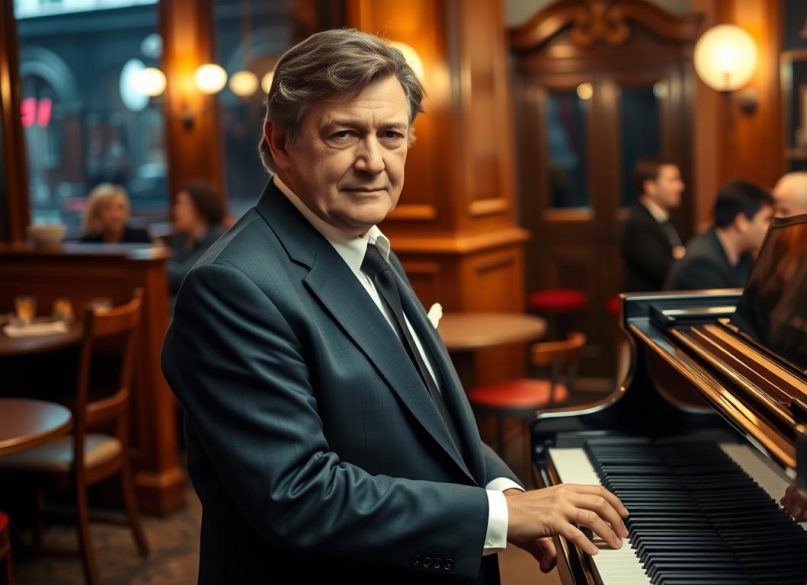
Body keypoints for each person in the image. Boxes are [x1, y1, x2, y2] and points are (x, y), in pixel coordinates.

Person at [161, 29, 628, 585]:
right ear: (280, 143)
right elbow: (298, 495)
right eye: (343, 134)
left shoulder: (367, 243)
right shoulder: (230, 286)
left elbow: (433, 426)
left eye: (391, 134)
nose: (373, 162)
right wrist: (499, 516)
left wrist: (506, 489)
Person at [664, 180, 773, 291]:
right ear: (742, 222)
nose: (771, 227)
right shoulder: (702, 264)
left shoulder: (743, 254)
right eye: (767, 219)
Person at [621, 157, 686, 291]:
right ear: (650, 187)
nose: (680, 186)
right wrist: (682, 259)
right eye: (673, 180)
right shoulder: (639, 223)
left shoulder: (664, 217)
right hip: (648, 304)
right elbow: (661, 270)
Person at [166, 182, 227, 297]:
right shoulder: (182, 239)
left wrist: (157, 262)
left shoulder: (217, 237)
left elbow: (186, 276)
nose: (175, 210)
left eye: (181, 204)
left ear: (199, 209)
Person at [79, 183, 152, 243]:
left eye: (120, 207)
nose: (116, 215)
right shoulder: (87, 242)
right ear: (96, 212)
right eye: (108, 208)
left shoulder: (141, 237)